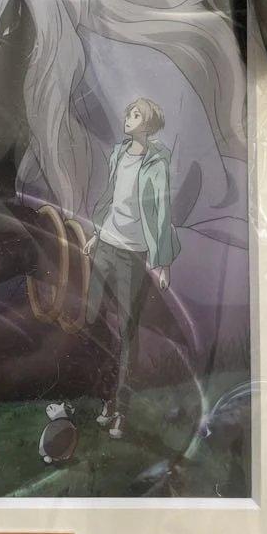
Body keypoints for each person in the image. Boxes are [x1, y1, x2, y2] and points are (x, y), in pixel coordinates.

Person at [83, 98, 180, 439]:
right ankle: (106, 399)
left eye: (135, 114)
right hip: (105, 247)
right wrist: (97, 234)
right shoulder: (118, 154)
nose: (128, 118)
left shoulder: (156, 164)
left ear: (148, 124)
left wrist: (163, 263)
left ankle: (121, 411)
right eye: (128, 113)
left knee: (126, 331)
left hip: (131, 256)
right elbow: (111, 197)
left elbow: (162, 213)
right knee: (91, 320)